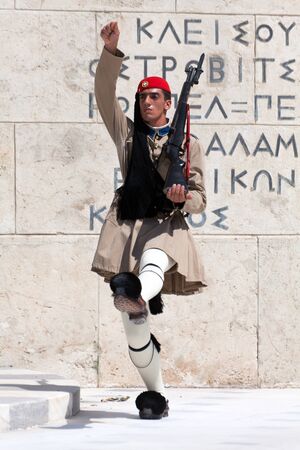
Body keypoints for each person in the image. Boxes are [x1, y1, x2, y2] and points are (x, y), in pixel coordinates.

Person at [91, 21, 207, 420]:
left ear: (168, 102)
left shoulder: (188, 144)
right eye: (142, 98)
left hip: (166, 226)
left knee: (155, 260)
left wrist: (183, 197)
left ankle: (137, 289)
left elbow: (199, 198)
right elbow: (105, 97)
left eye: (154, 97)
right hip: (130, 228)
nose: (146, 103)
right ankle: (155, 394)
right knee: (133, 327)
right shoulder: (128, 136)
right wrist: (111, 53)